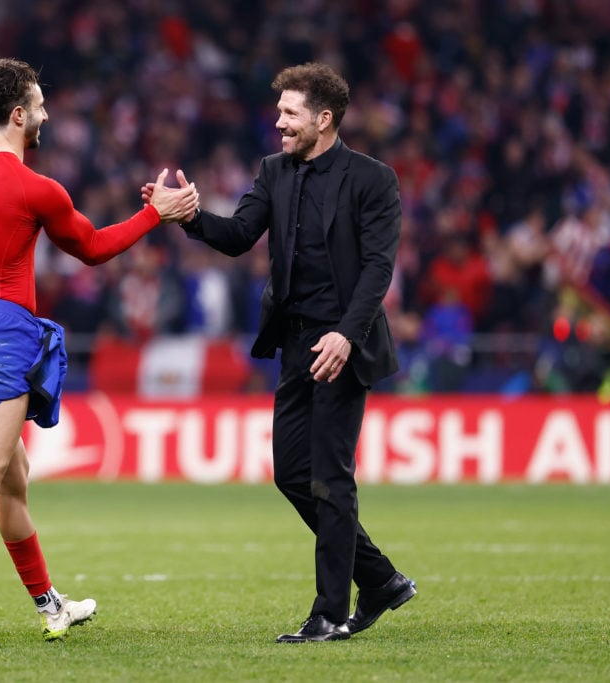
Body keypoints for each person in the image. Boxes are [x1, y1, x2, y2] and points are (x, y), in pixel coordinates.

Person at [0, 57, 198, 648]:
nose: (48, 113)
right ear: (20, 114)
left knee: (11, 482)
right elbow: (95, 249)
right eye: (41, 103)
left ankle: (51, 605)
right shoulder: (36, 187)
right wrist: (157, 213)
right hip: (4, 335)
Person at [147, 63, 415, 642]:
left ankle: (330, 613)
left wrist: (346, 332)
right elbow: (241, 235)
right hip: (295, 343)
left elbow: (378, 268)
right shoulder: (274, 171)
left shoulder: (374, 180)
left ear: (324, 119)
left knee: (331, 479)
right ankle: (382, 580)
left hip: (343, 343)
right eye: (280, 112)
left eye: (290, 113)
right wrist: (190, 216)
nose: (279, 122)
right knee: (293, 474)